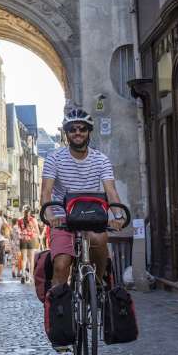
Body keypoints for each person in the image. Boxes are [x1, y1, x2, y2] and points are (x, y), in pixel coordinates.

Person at [40, 107, 124, 290]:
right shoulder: (54, 159)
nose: (77, 132)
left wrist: (119, 217)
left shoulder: (101, 160)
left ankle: (98, 284)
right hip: (63, 218)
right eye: (72, 129)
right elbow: (46, 192)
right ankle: (58, 308)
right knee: (61, 265)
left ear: (89, 132)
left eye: (82, 128)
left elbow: (111, 192)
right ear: (66, 133)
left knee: (100, 240)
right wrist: (50, 215)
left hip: (92, 216)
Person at [17, 207, 40, 284]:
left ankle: (23, 274)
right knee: (31, 259)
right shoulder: (33, 220)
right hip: (31, 239)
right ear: (30, 212)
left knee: (24, 259)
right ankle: (30, 277)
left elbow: (18, 230)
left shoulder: (19, 220)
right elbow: (37, 230)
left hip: (23, 239)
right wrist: (38, 237)